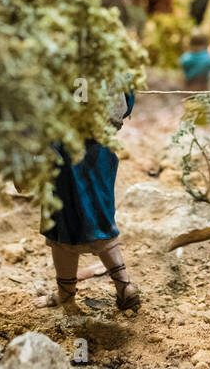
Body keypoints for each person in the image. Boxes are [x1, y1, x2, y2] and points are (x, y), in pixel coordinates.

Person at [40, 92, 140, 311]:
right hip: (99, 150)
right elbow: (127, 95)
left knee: (63, 227)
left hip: (64, 151)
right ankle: (124, 286)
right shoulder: (110, 59)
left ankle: (67, 299)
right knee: (100, 218)